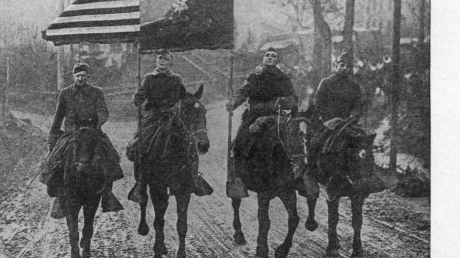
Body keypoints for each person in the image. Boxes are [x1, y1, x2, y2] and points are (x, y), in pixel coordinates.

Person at [40, 62, 124, 213]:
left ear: (88, 77)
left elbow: (103, 110)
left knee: (110, 155)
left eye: (83, 76)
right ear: (73, 76)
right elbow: (58, 116)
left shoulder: (97, 92)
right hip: (71, 132)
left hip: (92, 131)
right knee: (55, 159)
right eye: (77, 76)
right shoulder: (65, 93)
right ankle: (59, 195)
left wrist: (99, 123)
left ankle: (107, 194)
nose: (80, 79)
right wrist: (53, 137)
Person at [127, 50, 210, 200]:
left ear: (170, 63)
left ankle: (194, 176)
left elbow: (183, 97)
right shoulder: (148, 78)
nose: (162, 62)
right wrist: (138, 96)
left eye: (165, 59)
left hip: (172, 116)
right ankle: (140, 183)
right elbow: (139, 98)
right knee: (140, 144)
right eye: (160, 59)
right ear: (156, 62)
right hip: (153, 117)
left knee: (189, 141)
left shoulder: (176, 79)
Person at [226, 47, 311, 193]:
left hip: (276, 116)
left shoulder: (284, 78)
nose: (270, 58)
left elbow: (292, 98)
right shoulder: (253, 77)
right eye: (267, 55)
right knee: (240, 141)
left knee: (293, 141)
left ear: (277, 60)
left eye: (273, 56)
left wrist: (284, 102)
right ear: (263, 59)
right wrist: (233, 103)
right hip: (253, 116)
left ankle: (300, 176)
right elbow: (242, 92)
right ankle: (238, 179)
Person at [308, 51, 364, 180]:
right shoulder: (326, 82)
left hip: (347, 123)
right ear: (337, 65)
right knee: (315, 143)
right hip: (328, 122)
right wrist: (328, 118)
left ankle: (364, 175)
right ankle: (311, 174)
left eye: (348, 66)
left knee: (363, 142)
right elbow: (318, 102)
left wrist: (354, 116)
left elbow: (358, 105)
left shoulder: (354, 86)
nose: (344, 68)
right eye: (342, 65)